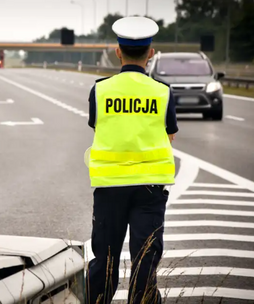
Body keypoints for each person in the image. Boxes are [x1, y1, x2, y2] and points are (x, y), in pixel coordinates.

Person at [85, 16, 178, 304]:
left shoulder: (100, 90)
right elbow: (170, 136)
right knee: (144, 264)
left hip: (110, 187)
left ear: (118, 52)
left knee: (105, 262)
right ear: (151, 54)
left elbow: (98, 127)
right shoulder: (162, 93)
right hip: (150, 190)